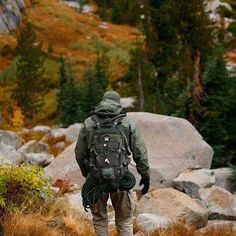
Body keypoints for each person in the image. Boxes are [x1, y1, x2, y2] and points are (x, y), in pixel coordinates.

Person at [75, 91, 150, 236]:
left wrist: (88, 174)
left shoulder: (89, 122)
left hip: (96, 179)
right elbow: (140, 152)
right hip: (121, 178)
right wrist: (145, 175)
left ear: (102, 102)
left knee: (99, 218)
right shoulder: (127, 122)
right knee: (124, 220)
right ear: (118, 103)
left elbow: (79, 153)